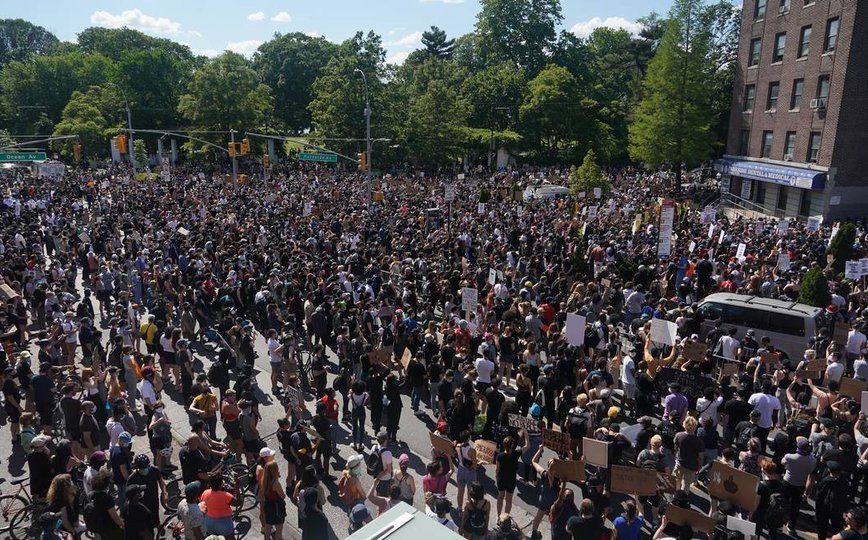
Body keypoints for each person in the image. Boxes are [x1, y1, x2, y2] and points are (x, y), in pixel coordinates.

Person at [781, 437, 817, 536]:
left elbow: (783, 462)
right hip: (800, 485)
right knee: (795, 507)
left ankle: (778, 520)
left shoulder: (790, 456)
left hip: (787, 482)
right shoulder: (813, 460)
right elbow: (811, 475)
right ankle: (791, 526)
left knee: (782, 502)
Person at [127, 454, 167, 529]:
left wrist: (164, 492)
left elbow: (161, 481)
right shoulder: (132, 478)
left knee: (155, 514)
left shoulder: (154, 470)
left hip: (154, 500)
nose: (144, 470)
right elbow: (129, 494)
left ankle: (157, 524)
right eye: (142, 468)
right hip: (142, 504)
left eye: (146, 467)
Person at [88, 470, 125, 540]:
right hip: (106, 528)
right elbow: (114, 516)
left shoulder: (91, 495)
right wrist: (123, 524)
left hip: (96, 527)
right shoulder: (107, 498)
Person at [495, 435, 524, 516]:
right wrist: (525, 432)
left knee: (500, 497)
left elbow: (497, 469)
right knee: (508, 500)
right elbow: (527, 446)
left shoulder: (499, 456)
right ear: (512, 445)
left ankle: (499, 516)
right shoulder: (516, 454)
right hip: (511, 480)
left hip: (501, 479)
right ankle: (505, 517)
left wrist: (497, 476)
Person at [200, 475, 237, 539]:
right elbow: (238, 503)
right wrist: (237, 487)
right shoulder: (226, 495)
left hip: (209, 522)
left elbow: (203, 502)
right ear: (221, 484)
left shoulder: (205, 493)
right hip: (224, 524)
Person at [258, 458, 287, 540]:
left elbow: (262, 495)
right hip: (277, 507)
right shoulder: (276, 483)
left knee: (268, 526)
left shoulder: (264, 480)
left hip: (268, 506)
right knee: (278, 532)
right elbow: (283, 496)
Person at [673, 415, 704, 491]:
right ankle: (683, 498)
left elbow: (675, 449)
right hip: (691, 466)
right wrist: (699, 466)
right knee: (686, 484)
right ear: (695, 427)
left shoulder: (678, 435)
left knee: (678, 480)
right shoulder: (698, 441)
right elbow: (700, 457)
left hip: (680, 462)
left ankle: (677, 495)